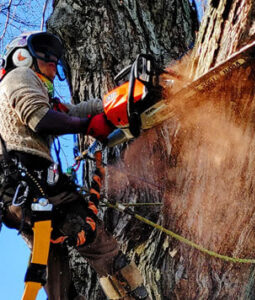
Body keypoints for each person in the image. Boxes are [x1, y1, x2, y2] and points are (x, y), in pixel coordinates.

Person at [0, 31, 148, 300]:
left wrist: (116, 102)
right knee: (96, 240)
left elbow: (74, 111)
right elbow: (41, 119)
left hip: (22, 198)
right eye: (46, 54)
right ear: (21, 56)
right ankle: (134, 294)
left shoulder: (29, 92)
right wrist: (90, 126)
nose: (53, 63)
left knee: (53, 276)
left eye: (57, 60)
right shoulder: (18, 78)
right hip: (34, 183)